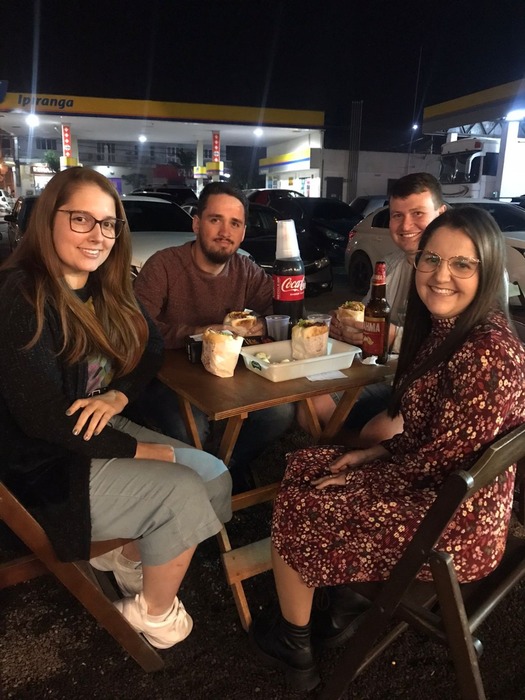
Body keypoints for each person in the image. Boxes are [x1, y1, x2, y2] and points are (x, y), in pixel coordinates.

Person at [249, 206, 525, 692]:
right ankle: (341, 608)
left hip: (456, 532)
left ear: (487, 272)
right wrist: (370, 455)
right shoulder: (451, 330)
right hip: (448, 499)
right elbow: (431, 441)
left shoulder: (487, 352)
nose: (441, 276)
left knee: (302, 502)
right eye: (431, 259)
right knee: (310, 462)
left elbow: (441, 467)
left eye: (462, 264)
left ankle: (295, 643)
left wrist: (363, 474)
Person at [0, 167, 232, 650]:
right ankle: (152, 615)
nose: (98, 235)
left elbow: (150, 348)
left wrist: (118, 394)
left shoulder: (107, 284)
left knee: (214, 476)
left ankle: (126, 559)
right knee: (182, 491)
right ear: (48, 218)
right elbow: (41, 417)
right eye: (81, 219)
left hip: (94, 427)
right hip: (42, 463)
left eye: (108, 223)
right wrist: (141, 451)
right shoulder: (21, 296)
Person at [131, 182, 295, 492]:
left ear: (243, 233)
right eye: (215, 220)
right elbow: (136, 330)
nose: (225, 232)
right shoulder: (163, 265)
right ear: (196, 223)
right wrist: (201, 332)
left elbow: (279, 315)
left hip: (228, 376)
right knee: (192, 427)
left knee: (280, 412)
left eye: (235, 223)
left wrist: (261, 325)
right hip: (165, 378)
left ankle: (225, 468)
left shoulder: (246, 270)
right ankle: (207, 477)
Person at [306, 173, 447, 444]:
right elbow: (369, 312)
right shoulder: (390, 265)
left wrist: (390, 336)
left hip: (431, 387)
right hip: (385, 373)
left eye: (418, 213)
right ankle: (353, 451)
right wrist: (346, 322)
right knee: (311, 403)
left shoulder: (453, 275)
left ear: (441, 214)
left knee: (381, 432)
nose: (406, 225)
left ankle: (364, 452)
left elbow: (452, 344)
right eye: (397, 215)